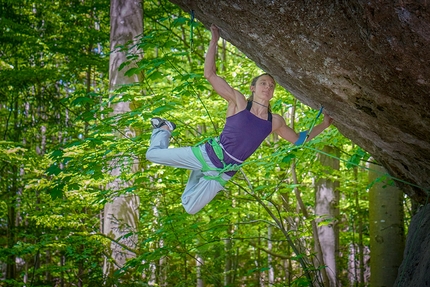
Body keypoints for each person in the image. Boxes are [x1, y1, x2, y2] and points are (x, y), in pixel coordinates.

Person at [146, 24, 333, 215]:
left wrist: (324, 125)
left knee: (190, 207)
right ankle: (164, 128)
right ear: (253, 88)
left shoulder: (274, 121)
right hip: (208, 155)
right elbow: (209, 74)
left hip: (225, 171)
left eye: (271, 85)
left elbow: (299, 140)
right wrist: (213, 41)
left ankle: (197, 171)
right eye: (263, 83)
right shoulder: (239, 102)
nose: (267, 87)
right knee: (152, 155)